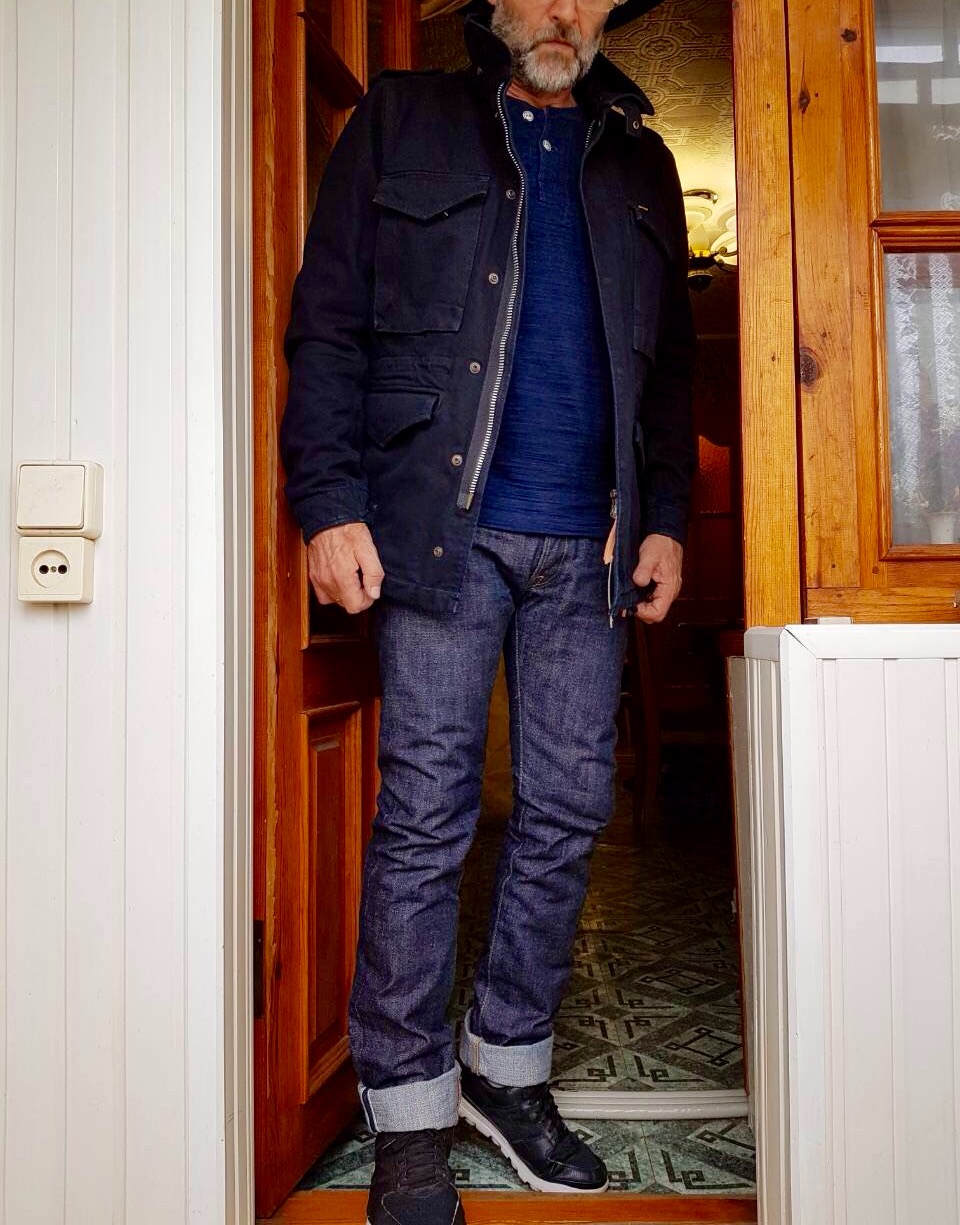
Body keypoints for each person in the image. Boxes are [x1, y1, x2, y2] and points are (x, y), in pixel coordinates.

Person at [280, 0, 695, 1218]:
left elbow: (669, 372)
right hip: (437, 534)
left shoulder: (645, 160)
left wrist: (665, 514)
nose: (565, 10)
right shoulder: (400, 121)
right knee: (425, 820)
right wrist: (327, 504)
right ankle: (409, 1111)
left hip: (589, 546)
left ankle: (506, 1069)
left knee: (568, 809)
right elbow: (326, 329)